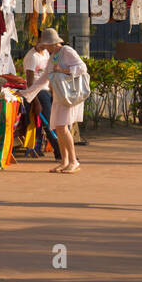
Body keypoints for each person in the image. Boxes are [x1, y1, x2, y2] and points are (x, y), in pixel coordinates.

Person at [22, 27, 87, 174]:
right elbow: (44, 78)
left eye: (46, 45)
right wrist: (26, 92)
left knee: (63, 128)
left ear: (53, 43)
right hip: (58, 95)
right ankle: (64, 161)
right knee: (58, 127)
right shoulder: (53, 56)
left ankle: (73, 161)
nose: (45, 48)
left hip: (68, 96)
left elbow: (82, 68)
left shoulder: (67, 51)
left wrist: (63, 70)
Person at [20, 42, 61, 161]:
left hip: (47, 90)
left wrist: (53, 92)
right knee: (48, 123)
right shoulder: (32, 57)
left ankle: (60, 150)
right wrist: (35, 100)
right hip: (38, 92)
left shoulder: (47, 53)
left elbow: (49, 74)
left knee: (54, 122)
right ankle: (59, 152)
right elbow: (30, 80)